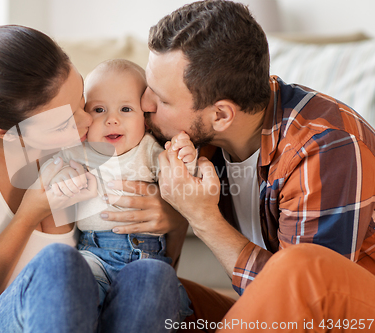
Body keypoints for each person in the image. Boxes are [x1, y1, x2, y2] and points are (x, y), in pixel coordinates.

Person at [0, 25, 190, 333]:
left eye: (80, 97)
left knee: (153, 275)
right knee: (60, 264)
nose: (86, 122)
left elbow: (141, 289)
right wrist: (27, 216)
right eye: (63, 123)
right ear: (4, 133)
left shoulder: (91, 146)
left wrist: (173, 221)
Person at [141, 0, 375, 331]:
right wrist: (173, 214)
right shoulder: (196, 139)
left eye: (162, 99)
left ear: (221, 115)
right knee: (146, 285)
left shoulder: (326, 147)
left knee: (300, 268)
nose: (145, 103)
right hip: (275, 311)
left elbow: (304, 303)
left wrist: (201, 216)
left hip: (351, 318)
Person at [43, 59, 196, 319]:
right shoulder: (80, 153)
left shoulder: (148, 150)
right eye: (99, 109)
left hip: (146, 255)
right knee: (75, 292)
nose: (112, 120)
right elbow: (52, 176)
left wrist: (186, 158)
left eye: (125, 109)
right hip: (93, 254)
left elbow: (181, 184)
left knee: (152, 298)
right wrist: (65, 177)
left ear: (146, 120)